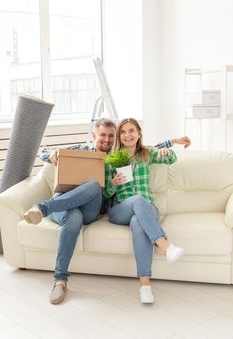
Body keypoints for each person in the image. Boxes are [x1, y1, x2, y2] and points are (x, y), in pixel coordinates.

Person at [24, 117, 190, 305]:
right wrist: (53, 153)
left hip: (93, 208)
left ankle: (145, 284)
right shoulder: (86, 151)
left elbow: (146, 149)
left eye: (111, 136)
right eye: (103, 135)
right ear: (94, 135)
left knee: (101, 190)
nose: (107, 139)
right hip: (65, 204)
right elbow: (45, 153)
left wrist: (171, 144)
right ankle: (60, 280)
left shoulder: (116, 157)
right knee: (74, 216)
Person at [103, 118, 185, 304]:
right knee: (137, 200)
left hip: (146, 210)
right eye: (123, 132)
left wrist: (167, 151)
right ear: (119, 136)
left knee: (138, 223)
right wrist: (113, 184)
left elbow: (171, 158)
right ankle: (165, 247)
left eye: (131, 130)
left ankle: (145, 286)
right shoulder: (113, 159)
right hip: (120, 210)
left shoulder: (146, 154)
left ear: (139, 133)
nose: (127, 135)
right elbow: (106, 192)